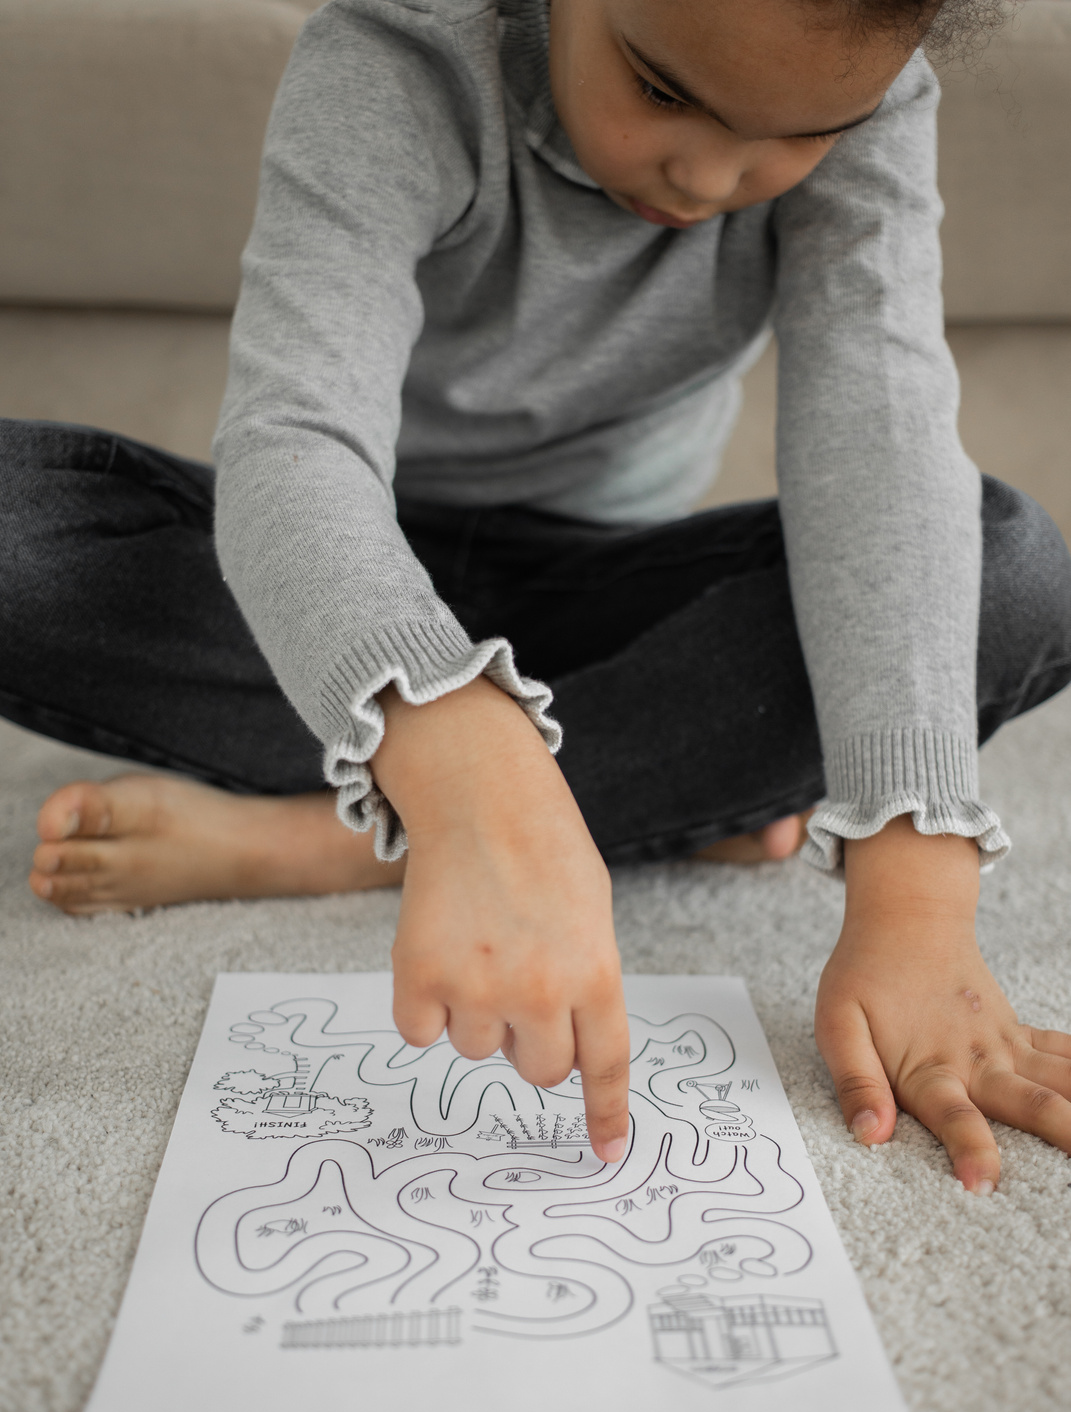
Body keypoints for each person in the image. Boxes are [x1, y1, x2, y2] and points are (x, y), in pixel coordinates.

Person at [3, 0, 1071, 1191]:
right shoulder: (399, 52)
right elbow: (292, 447)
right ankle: (544, 793)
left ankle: (345, 837)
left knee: (1010, 571)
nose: (711, 174)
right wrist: (462, 754)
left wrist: (917, 887)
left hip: (603, 607)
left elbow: (881, 444)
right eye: (663, 92)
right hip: (344, 579)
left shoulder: (874, 101)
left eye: (800, 134)